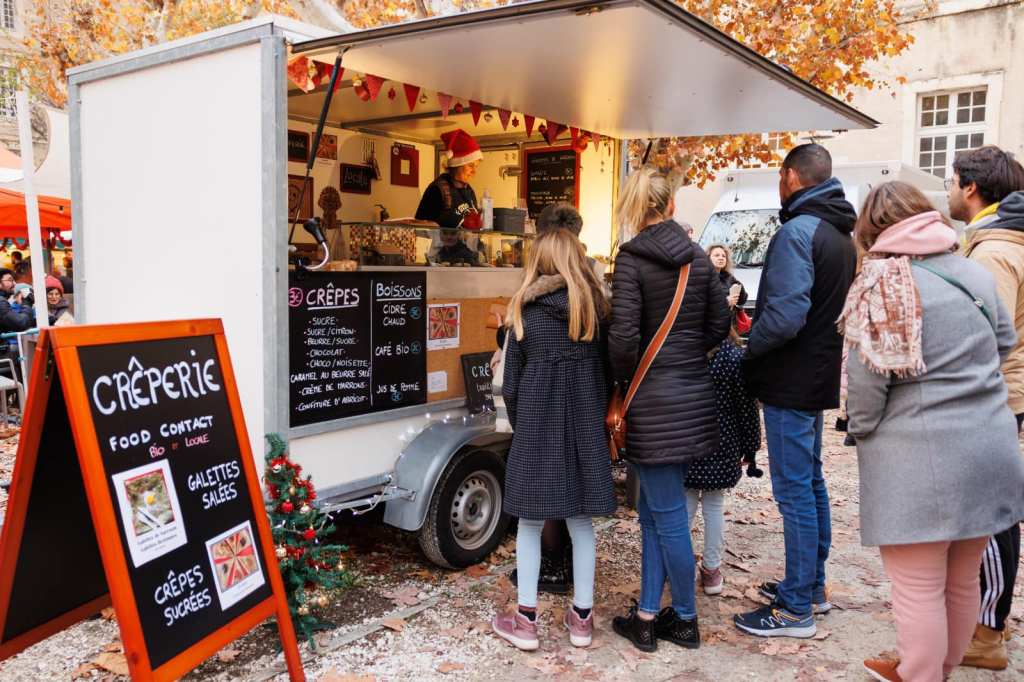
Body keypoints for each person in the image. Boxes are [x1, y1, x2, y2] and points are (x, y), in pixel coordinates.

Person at [842, 182, 1024, 682]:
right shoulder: (975, 271)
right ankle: (939, 669)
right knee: (962, 578)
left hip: (918, 461)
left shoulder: (879, 284)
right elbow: (1004, 342)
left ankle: (920, 675)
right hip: (991, 444)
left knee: (917, 585)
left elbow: (865, 387)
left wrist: (863, 431)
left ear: (872, 231)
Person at [736, 144, 856, 638]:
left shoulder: (797, 232)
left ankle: (795, 609)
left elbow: (784, 316)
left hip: (790, 380)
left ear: (790, 177)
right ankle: (812, 588)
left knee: (794, 494)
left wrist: (749, 347)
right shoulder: (840, 233)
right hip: (818, 374)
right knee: (811, 483)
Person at [608, 167, 730, 652]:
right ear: (673, 207)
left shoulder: (631, 259)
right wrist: (685, 358)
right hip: (691, 398)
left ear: (638, 210)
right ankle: (645, 613)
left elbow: (622, 339)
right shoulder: (699, 260)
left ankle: (683, 617)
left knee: (667, 516)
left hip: (650, 400)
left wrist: (623, 381)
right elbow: (720, 323)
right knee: (656, 513)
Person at [491, 229, 615, 652]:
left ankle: (526, 620)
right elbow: (605, 377)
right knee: (580, 523)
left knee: (528, 522)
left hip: (537, 427)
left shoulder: (523, 313)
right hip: (583, 426)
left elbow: (510, 385)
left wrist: (526, 423)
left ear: (539, 263)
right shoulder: (593, 312)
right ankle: (581, 618)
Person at [948, 145, 1024, 670]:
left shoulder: (994, 250)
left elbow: (990, 336)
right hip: (998, 392)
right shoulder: (992, 242)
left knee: (990, 516)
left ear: (971, 188)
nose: (948, 189)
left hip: (993, 395)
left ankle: (987, 633)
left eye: (952, 181)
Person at [685, 319, 761, 595]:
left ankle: (679, 563)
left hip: (688, 438)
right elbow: (746, 407)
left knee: (686, 505)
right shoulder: (733, 356)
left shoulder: (687, 352)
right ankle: (712, 569)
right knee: (714, 506)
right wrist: (751, 446)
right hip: (724, 440)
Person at [415, 129, 483, 229]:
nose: (474, 171)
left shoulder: (469, 190)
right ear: (457, 164)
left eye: (476, 166)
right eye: (470, 165)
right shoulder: (437, 190)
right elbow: (421, 228)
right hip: (440, 245)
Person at [707, 243, 748, 311]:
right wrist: (726, 302)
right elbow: (700, 305)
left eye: (724, 256)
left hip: (730, 320)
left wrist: (739, 288)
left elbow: (742, 301)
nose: (721, 258)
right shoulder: (703, 278)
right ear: (708, 258)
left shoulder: (729, 277)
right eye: (716, 255)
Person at [0, 268, 32, 333]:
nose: (14, 284)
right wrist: (26, 303)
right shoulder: (1, 303)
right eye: (10, 280)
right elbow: (21, 324)